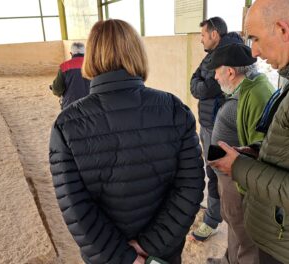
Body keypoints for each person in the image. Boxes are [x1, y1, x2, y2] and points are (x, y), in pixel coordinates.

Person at [49, 19, 205, 264]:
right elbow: (191, 186)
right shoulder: (174, 109)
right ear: (137, 54)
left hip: (106, 257)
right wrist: (148, 246)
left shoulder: (66, 124)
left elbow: (75, 207)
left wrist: (124, 257)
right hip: (161, 253)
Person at [209, 0, 289, 263]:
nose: (253, 52)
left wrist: (241, 168)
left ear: (282, 29)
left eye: (255, 38)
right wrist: (258, 154)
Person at [204, 43, 274, 264]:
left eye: (216, 71)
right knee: (234, 226)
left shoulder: (257, 94)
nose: (215, 77)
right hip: (230, 177)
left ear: (230, 72)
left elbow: (262, 148)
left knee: (246, 236)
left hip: (239, 179)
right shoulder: (244, 91)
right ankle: (229, 259)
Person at [190, 17, 243, 242]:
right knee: (213, 171)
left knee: (219, 173)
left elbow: (204, 88)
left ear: (214, 34)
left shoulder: (226, 54)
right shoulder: (212, 54)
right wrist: (199, 82)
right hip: (208, 124)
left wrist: (199, 83)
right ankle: (216, 215)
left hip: (217, 125)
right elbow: (196, 81)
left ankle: (215, 221)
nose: (201, 39)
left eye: (203, 35)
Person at [50, 42, 90, 109]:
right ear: (85, 53)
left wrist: (53, 88)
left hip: (70, 106)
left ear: (71, 53)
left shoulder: (64, 66)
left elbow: (57, 90)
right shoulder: (93, 65)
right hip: (90, 104)